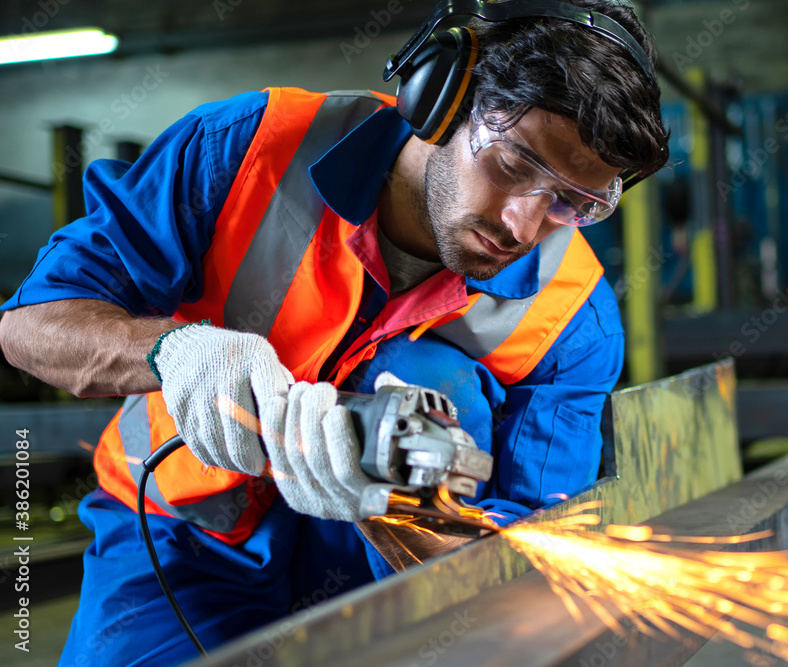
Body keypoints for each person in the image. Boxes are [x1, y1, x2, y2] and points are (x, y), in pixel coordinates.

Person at [0, 0, 668, 663]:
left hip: (393, 574)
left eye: (572, 202)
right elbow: (31, 326)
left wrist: (400, 509)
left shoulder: (573, 315)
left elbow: (529, 561)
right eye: (515, 164)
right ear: (440, 97)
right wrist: (172, 350)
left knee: (437, 381)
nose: (525, 225)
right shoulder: (248, 147)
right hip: (181, 532)